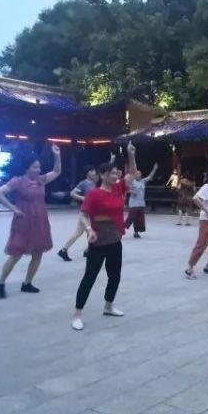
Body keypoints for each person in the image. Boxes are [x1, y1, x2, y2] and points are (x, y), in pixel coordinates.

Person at [71, 141, 138, 331]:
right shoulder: (94, 194)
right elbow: (83, 215)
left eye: (117, 173)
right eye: (113, 173)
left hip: (115, 241)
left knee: (114, 275)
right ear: (103, 175)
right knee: (89, 277)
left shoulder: (118, 188)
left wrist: (131, 154)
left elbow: (132, 174)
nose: (117, 176)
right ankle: (77, 314)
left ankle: (108, 306)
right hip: (98, 242)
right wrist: (89, 230)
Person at [0, 144, 62, 298]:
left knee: (38, 252)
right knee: (16, 254)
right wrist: (13, 208)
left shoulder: (41, 180)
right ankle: (0, 283)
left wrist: (57, 155)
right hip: (23, 222)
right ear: (26, 168)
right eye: (35, 167)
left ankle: (27, 283)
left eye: (39, 167)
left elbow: (57, 171)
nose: (38, 170)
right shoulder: (17, 181)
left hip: (40, 222)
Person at [125, 163, 158, 238]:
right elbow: (126, 189)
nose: (138, 174)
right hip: (133, 204)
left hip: (141, 204)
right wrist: (131, 191)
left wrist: (154, 169)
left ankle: (136, 233)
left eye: (139, 173)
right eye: (137, 173)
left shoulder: (143, 181)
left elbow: (150, 177)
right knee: (130, 218)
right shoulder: (132, 181)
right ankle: (121, 229)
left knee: (139, 219)